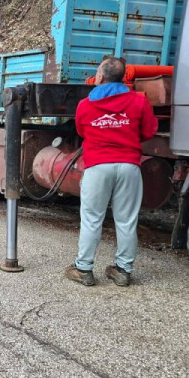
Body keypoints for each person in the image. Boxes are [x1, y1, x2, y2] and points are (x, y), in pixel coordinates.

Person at [65, 57, 158, 287]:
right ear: (122, 76)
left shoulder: (85, 105)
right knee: (126, 220)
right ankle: (123, 270)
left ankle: (84, 269)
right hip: (129, 166)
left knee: (92, 220)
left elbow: (81, 130)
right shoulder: (139, 101)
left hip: (98, 166)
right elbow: (149, 131)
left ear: (101, 77)